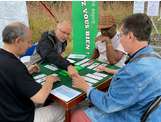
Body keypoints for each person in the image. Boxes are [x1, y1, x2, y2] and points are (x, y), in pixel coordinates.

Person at [71, 13, 161, 122]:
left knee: (78, 115)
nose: (120, 39)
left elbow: (108, 104)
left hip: (132, 115)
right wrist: (114, 71)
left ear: (130, 36)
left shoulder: (131, 72)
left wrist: (85, 87)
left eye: (121, 35)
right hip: (148, 110)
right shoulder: (155, 56)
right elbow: (138, 79)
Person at [0, 22, 65, 122]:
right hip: (22, 118)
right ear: (17, 41)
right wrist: (49, 81)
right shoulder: (15, 66)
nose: (30, 46)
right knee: (62, 109)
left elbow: (8, 78)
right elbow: (40, 98)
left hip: (6, 112)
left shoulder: (4, 58)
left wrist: (26, 72)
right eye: (28, 42)